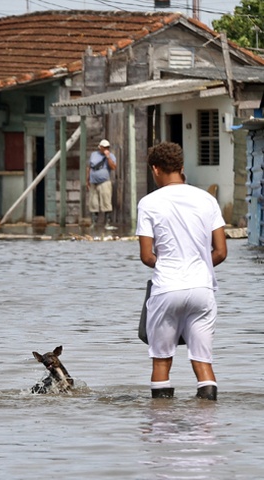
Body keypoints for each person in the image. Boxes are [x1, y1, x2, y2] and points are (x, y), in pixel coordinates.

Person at [136, 142, 227, 401]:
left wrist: (169, 263)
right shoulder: (207, 199)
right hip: (202, 289)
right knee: (203, 363)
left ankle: (161, 428)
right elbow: (220, 252)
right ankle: (205, 430)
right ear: (182, 167)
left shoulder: (149, 203)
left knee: (162, 362)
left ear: (155, 169)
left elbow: (146, 256)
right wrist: (196, 263)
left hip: (167, 289)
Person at [86, 139, 117, 228]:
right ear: (100, 147)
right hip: (93, 182)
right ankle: (94, 222)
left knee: (106, 202)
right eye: (104, 147)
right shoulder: (94, 155)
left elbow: (113, 167)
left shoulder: (111, 156)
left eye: (107, 147)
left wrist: (108, 157)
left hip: (104, 182)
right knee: (93, 203)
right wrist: (87, 180)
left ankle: (107, 223)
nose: (106, 149)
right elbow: (89, 167)